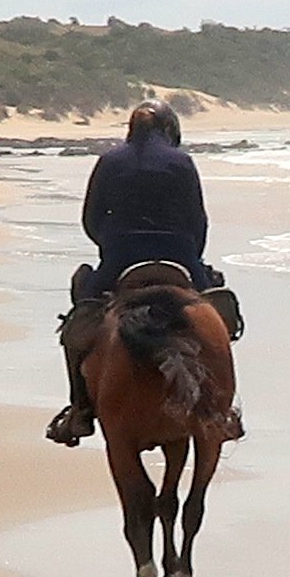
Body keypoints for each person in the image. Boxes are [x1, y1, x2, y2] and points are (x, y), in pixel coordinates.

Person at [47, 103, 237, 444]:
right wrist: (192, 254)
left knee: (80, 321)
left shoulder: (109, 160)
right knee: (220, 314)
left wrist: (109, 243)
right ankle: (222, 408)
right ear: (168, 129)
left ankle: (79, 407)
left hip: (120, 257)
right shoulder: (182, 162)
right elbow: (198, 221)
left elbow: (91, 218)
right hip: (180, 254)